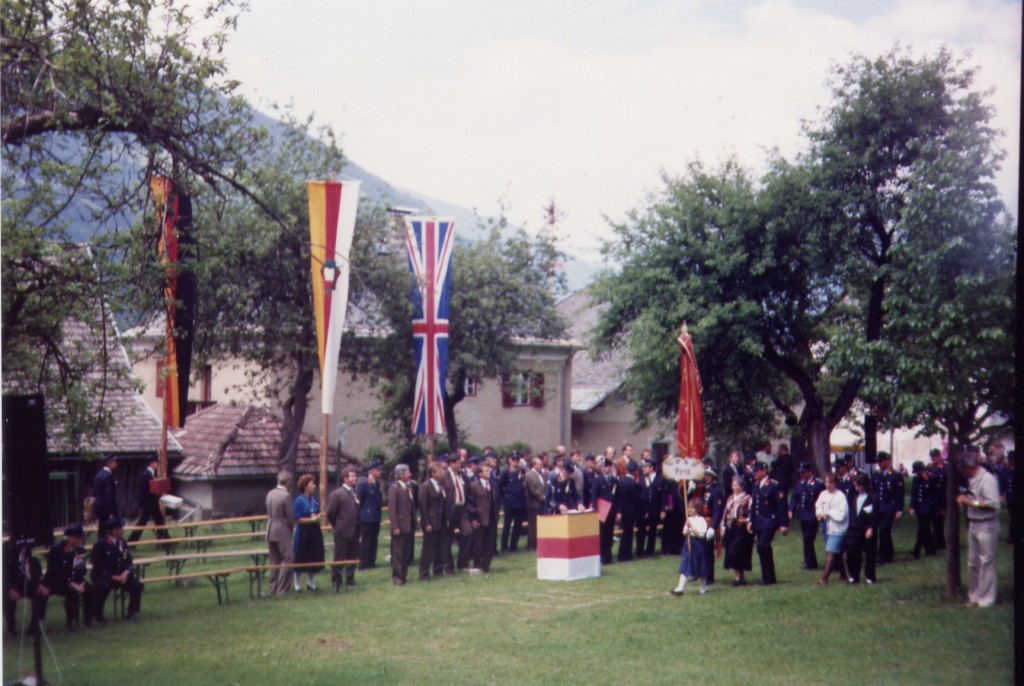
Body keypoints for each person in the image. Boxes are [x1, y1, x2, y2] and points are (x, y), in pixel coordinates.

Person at [956, 451, 1000, 607]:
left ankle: (987, 598)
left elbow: (993, 503)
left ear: (968, 467)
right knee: (973, 562)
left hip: (987, 524)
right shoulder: (972, 479)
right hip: (973, 523)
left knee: (986, 562)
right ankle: (974, 595)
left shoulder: (988, 480)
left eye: (963, 469)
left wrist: (969, 502)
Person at [38, 524, 94, 632]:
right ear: (70, 538)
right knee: (71, 592)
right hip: (56, 582)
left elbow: (80, 569)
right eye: (79, 537)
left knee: (89, 589)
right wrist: (71, 583)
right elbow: (55, 573)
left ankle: (88, 619)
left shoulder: (80, 550)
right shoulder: (56, 550)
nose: (82, 539)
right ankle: (71, 621)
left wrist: (81, 582)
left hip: (73, 581)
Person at [90, 517, 142, 622]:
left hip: (121, 575)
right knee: (103, 587)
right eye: (121, 528)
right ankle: (98, 615)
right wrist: (113, 576)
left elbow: (128, 560)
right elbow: (98, 566)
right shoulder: (100, 545)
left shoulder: (122, 543)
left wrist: (126, 572)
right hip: (105, 576)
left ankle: (131, 613)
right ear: (114, 531)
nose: (123, 530)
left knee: (136, 585)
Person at [748, 461, 788, 585]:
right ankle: (768, 577)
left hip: (770, 520)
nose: (754, 473)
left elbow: (781, 506)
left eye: (757, 471)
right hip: (759, 521)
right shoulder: (755, 485)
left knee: (761, 546)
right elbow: (754, 505)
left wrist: (783, 524)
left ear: (764, 471)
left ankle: (768, 577)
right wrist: (751, 520)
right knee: (764, 549)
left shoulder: (774, 485)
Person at [670, 498, 714, 596]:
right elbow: (684, 533)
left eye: (691, 508)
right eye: (688, 508)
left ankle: (703, 587)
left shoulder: (701, 520)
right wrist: (687, 530)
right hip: (688, 544)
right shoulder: (689, 519)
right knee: (685, 564)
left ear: (697, 509)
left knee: (700, 565)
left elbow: (701, 535)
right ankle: (680, 588)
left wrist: (692, 528)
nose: (689, 510)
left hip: (698, 545)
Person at [326, 467, 360, 588]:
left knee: (352, 556)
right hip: (342, 531)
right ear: (345, 478)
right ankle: (336, 580)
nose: (355, 478)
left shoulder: (354, 493)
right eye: (352, 476)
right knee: (340, 556)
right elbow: (330, 513)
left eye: (355, 476)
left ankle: (350, 579)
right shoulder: (337, 494)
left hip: (355, 530)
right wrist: (337, 524)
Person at [291, 474, 325, 591]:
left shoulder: (314, 500)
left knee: (313, 554)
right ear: (305, 486)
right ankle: (297, 582)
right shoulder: (298, 501)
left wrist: (318, 516)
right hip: (303, 531)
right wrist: (311, 519)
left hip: (314, 530)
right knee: (300, 555)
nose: (314, 486)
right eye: (312, 484)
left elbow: (318, 512)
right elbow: (297, 519)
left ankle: (311, 581)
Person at [3, 539, 43, 637]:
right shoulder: (4, 550)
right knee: (6, 598)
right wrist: (9, 589)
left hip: (23, 583)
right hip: (8, 584)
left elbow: (29, 570)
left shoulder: (26, 548)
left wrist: (38, 585)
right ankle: (11, 629)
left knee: (40, 594)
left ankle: (34, 626)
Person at [789, 462, 825, 570]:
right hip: (803, 514)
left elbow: (822, 499)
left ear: (810, 472)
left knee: (808, 538)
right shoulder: (800, 483)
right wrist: (791, 509)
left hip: (812, 515)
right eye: (801, 472)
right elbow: (795, 497)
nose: (802, 475)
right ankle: (807, 559)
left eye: (804, 472)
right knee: (806, 538)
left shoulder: (818, 483)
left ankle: (811, 562)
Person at [815, 474, 849, 585]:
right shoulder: (823, 494)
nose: (828, 485)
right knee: (837, 553)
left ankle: (824, 578)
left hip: (838, 529)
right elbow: (818, 506)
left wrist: (828, 513)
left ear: (835, 483)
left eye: (831, 483)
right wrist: (819, 513)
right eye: (826, 482)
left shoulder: (840, 496)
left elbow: (842, 515)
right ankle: (843, 574)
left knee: (830, 552)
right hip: (826, 527)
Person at [845, 474, 879, 585]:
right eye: (855, 486)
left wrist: (871, 528)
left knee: (870, 553)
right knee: (852, 551)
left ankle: (870, 576)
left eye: (859, 486)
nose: (857, 488)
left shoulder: (873, 497)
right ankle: (854, 575)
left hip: (867, 528)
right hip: (855, 527)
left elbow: (875, 515)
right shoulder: (854, 496)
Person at [265, 471, 295, 596]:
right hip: (281, 528)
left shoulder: (270, 493)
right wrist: (291, 527)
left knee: (274, 559)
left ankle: (273, 587)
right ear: (288, 482)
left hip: (270, 527)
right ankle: (282, 589)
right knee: (288, 558)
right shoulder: (285, 496)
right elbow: (290, 517)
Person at [871, 452, 904, 565]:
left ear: (888, 460)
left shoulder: (895, 475)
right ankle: (888, 553)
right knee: (878, 531)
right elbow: (873, 491)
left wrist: (899, 510)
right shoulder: (876, 474)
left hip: (890, 507)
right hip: (878, 507)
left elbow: (899, 494)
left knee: (884, 530)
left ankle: (882, 555)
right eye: (878, 461)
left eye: (881, 461)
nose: (879, 463)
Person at [128, 456, 170, 543]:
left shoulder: (151, 474)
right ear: (151, 463)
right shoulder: (146, 475)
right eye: (156, 463)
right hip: (148, 503)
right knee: (142, 522)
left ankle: (165, 540)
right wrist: (155, 493)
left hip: (153, 503)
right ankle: (131, 541)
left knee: (159, 520)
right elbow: (144, 490)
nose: (158, 465)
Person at [720, 475, 753, 586]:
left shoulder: (747, 498)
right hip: (731, 527)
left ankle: (738, 577)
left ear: (742, 486)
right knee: (730, 550)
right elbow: (725, 513)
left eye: (736, 484)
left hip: (742, 528)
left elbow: (751, 512)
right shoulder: (730, 498)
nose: (733, 486)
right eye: (733, 484)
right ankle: (740, 576)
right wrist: (722, 527)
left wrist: (748, 521)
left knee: (738, 551)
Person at [468, 463, 500, 572]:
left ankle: (486, 564)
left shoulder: (493, 485)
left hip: (492, 518)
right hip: (480, 518)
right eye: (486, 471)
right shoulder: (474, 486)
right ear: (480, 473)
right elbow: (470, 503)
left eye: (489, 470)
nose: (489, 472)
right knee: (478, 542)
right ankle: (477, 563)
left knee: (490, 542)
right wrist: (473, 518)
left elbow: (497, 500)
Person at [387, 464, 415, 585]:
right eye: (408, 472)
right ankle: (397, 577)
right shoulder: (395, 488)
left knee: (405, 552)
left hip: (408, 525)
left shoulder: (408, 487)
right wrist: (395, 526)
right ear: (401, 474)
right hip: (400, 525)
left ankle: (404, 575)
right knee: (398, 553)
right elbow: (392, 509)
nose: (410, 474)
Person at [418, 462, 446, 581]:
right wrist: (427, 522)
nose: (442, 473)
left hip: (440, 521)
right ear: (433, 473)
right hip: (430, 521)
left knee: (440, 547)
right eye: (440, 471)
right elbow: (423, 506)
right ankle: (424, 573)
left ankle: (438, 570)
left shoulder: (440, 485)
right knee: (428, 549)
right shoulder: (426, 486)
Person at [356, 461, 385, 570]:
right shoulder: (364, 483)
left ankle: (371, 561)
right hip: (366, 516)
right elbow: (359, 499)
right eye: (378, 470)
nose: (380, 472)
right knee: (366, 540)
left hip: (375, 516)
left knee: (374, 539)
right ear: (372, 471)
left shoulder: (376, 484)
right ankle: (364, 562)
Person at [499, 452, 527, 553]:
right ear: (510, 460)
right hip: (509, 502)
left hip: (519, 502)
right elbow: (500, 486)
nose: (516, 461)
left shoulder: (521, 471)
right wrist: (505, 498)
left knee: (518, 525)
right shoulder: (506, 471)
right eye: (514, 459)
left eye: (517, 459)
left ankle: (513, 545)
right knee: (507, 525)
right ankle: (504, 547)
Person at [592, 458, 619, 564]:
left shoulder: (614, 480)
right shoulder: (598, 480)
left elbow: (617, 497)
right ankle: (602, 555)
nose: (605, 469)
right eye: (603, 467)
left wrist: (618, 511)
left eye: (607, 467)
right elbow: (594, 495)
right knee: (602, 534)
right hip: (602, 511)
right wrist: (595, 509)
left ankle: (608, 555)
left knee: (609, 533)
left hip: (611, 511)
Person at [637, 459, 664, 558]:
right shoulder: (641, 478)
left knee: (652, 530)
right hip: (643, 509)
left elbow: (663, 495)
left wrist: (662, 509)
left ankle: (650, 551)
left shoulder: (660, 479)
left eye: (646, 467)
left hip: (654, 508)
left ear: (651, 468)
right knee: (641, 530)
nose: (643, 469)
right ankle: (640, 551)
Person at [909, 461, 936, 558]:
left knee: (921, 529)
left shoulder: (931, 478)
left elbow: (935, 494)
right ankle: (931, 549)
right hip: (919, 508)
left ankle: (917, 551)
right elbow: (914, 494)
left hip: (928, 507)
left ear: (922, 469)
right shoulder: (916, 479)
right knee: (926, 530)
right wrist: (912, 506)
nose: (917, 474)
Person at [615, 460, 641, 561]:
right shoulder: (634, 484)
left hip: (622, 511)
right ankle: (626, 554)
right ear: (635, 472)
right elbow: (636, 499)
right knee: (628, 533)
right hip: (630, 511)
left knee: (625, 533)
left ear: (626, 470)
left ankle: (622, 554)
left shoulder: (620, 482)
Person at [926, 448, 948, 550]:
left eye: (935, 456)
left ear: (940, 456)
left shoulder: (945, 468)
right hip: (932, 498)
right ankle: (936, 542)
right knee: (934, 522)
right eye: (932, 457)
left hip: (941, 498)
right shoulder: (930, 468)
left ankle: (940, 543)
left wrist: (945, 505)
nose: (933, 458)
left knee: (939, 522)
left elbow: (946, 486)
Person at [524, 456, 547, 551]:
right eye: (539, 464)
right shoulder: (529, 475)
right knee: (533, 525)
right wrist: (541, 497)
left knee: (540, 525)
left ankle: (539, 543)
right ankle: (531, 544)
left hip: (542, 503)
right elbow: (532, 489)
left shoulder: (541, 474)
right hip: (534, 503)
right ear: (534, 465)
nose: (542, 465)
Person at [92, 455, 119, 532]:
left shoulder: (98, 475)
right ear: (109, 463)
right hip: (107, 511)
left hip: (100, 510)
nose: (116, 464)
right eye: (115, 462)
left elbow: (95, 492)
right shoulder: (108, 476)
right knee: (111, 532)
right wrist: (111, 512)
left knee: (102, 531)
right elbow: (109, 496)